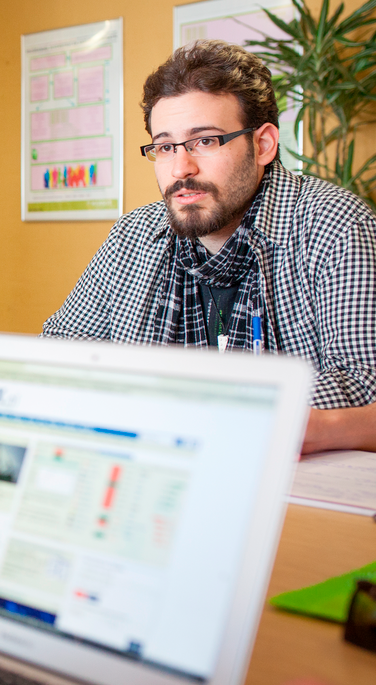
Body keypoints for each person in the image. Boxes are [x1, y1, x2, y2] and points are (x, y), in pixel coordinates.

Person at [43, 40, 376, 454]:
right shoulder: (134, 235)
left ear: (263, 144)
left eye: (205, 141)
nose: (182, 168)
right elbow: (63, 349)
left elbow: (363, 381)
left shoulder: (335, 224)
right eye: (165, 147)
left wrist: (181, 409)